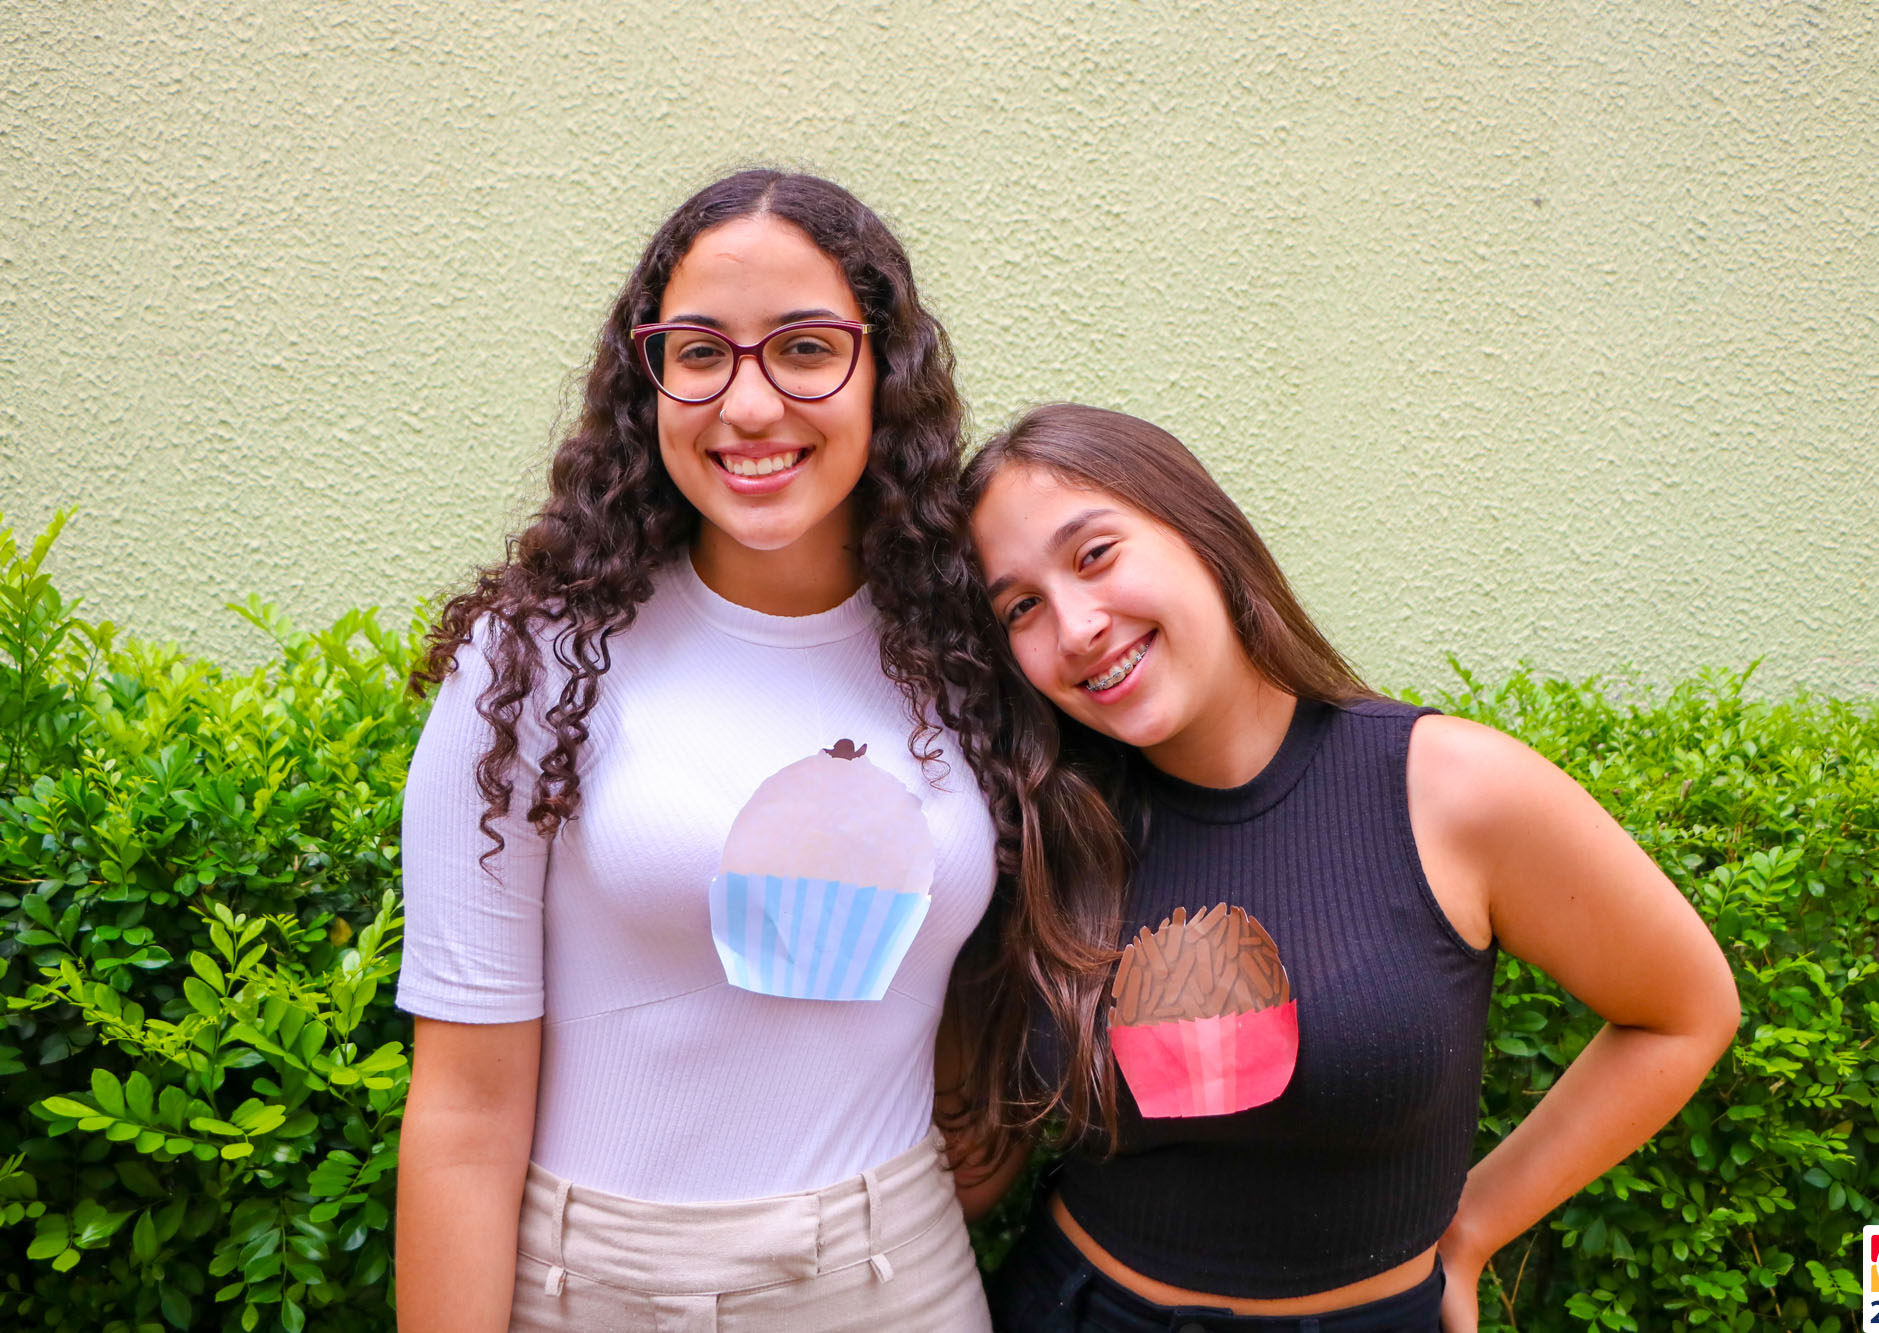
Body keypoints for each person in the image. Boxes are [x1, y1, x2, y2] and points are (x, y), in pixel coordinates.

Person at [950, 404, 1741, 1333]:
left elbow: (1685, 1011)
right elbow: (974, 1144)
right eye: (1021, 607)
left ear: (1203, 532)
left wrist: (1474, 1230)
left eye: (1095, 555)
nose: (1076, 626)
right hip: (1074, 1308)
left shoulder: (1454, 790)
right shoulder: (1042, 829)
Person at [393, 169, 1003, 1332]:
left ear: (884, 371)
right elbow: (464, 1119)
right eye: (701, 352)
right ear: (650, 380)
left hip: (900, 1278)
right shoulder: (531, 664)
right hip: (594, 1289)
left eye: (806, 348)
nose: (750, 403)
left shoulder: (965, 645)